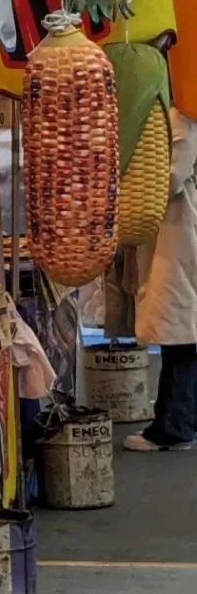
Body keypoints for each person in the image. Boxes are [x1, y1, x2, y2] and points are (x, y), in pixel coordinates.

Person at [127, 108, 197, 452]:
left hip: (178, 235)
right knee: (180, 335)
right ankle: (176, 419)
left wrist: (131, 190)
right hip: (177, 235)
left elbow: (172, 173)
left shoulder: (184, 118)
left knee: (180, 335)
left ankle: (176, 425)